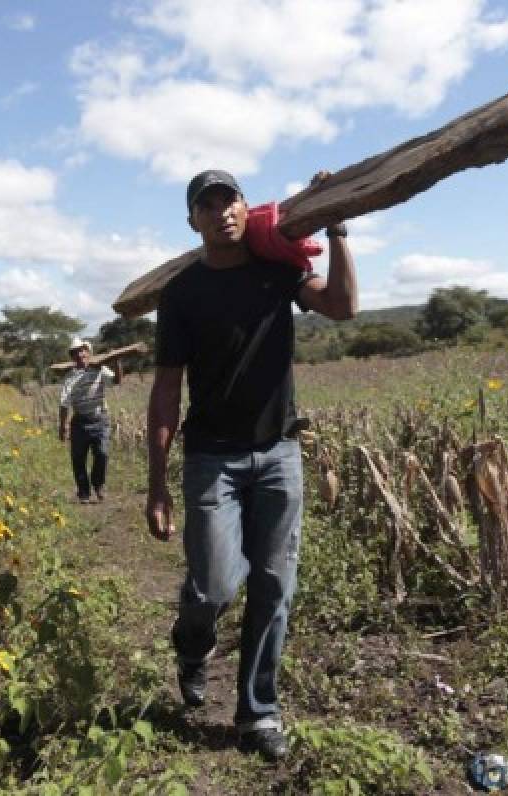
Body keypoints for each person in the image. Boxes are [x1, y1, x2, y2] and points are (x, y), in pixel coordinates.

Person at [146, 169, 357, 761]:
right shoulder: (182, 294)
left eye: (229, 199)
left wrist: (337, 226)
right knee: (214, 582)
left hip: (280, 454)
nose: (221, 211)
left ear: (244, 208)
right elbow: (166, 391)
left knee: (274, 584)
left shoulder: (279, 269)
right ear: (193, 222)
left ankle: (257, 714)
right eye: (206, 205)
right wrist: (157, 485)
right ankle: (193, 640)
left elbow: (342, 307)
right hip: (212, 457)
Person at [58, 337, 121, 503]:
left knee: (102, 453)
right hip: (79, 422)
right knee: (78, 459)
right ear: (72, 356)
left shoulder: (99, 369)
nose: (80, 354)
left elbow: (117, 381)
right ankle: (83, 492)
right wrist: (63, 426)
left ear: (88, 352)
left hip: (100, 420)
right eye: (76, 352)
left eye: (82, 350)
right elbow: (64, 404)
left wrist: (116, 361)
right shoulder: (70, 377)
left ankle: (98, 484)